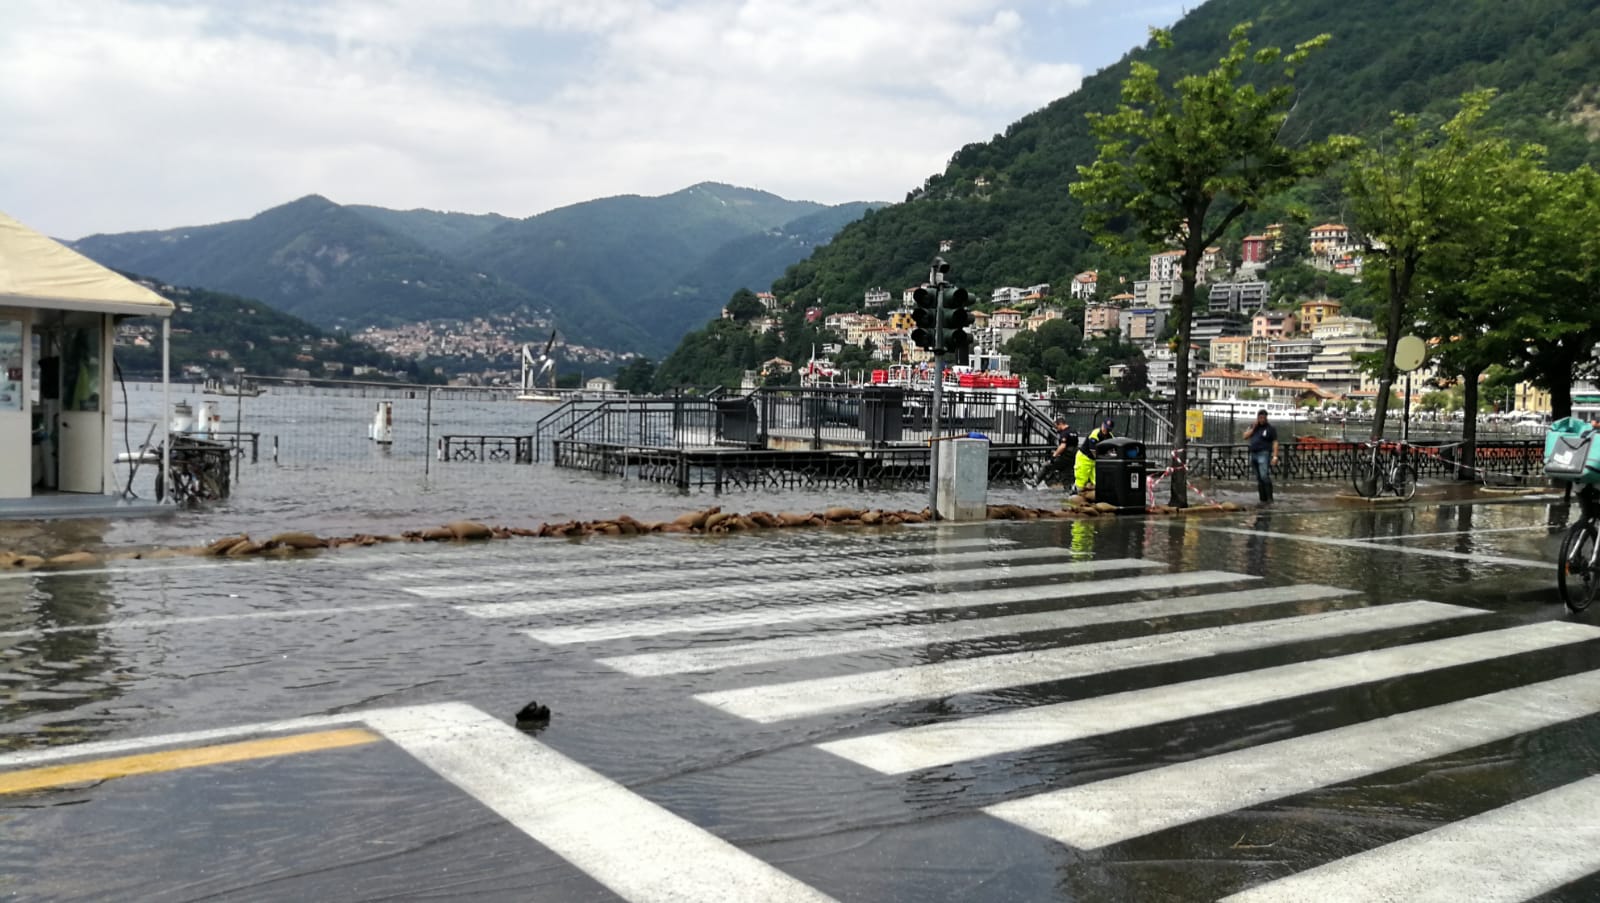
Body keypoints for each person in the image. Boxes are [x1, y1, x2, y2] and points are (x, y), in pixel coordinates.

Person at [1244, 408, 1279, 504]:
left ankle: (1269, 498)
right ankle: (1262, 499)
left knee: (1264, 476)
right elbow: (1245, 436)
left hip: (1264, 453)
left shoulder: (1270, 429)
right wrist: (1254, 428)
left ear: (1266, 418)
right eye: (1260, 417)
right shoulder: (1253, 426)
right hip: (1254, 453)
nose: (1261, 419)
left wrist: (1275, 456)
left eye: (1263, 417)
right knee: (1259, 478)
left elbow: (1275, 442)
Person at [1035, 415, 1078, 490]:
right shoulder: (1074, 431)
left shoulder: (1064, 433)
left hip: (1065, 457)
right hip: (1073, 457)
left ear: (1060, 424)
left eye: (1056, 426)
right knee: (1066, 476)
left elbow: (1062, 446)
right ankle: (1068, 491)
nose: (1056, 428)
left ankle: (1034, 482)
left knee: (1046, 465)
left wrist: (1054, 456)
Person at [1076, 417, 1114, 494]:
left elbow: (1112, 449)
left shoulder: (1111, 437)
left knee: (1097, 480)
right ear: (1102, 425)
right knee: (1081, 479)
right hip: (1084, 458)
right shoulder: (1095, 434)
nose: (1105, 430)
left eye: (1108, 429)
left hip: (1096, 460)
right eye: (1105, 427)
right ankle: (1076, 493)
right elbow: (1093, 451)